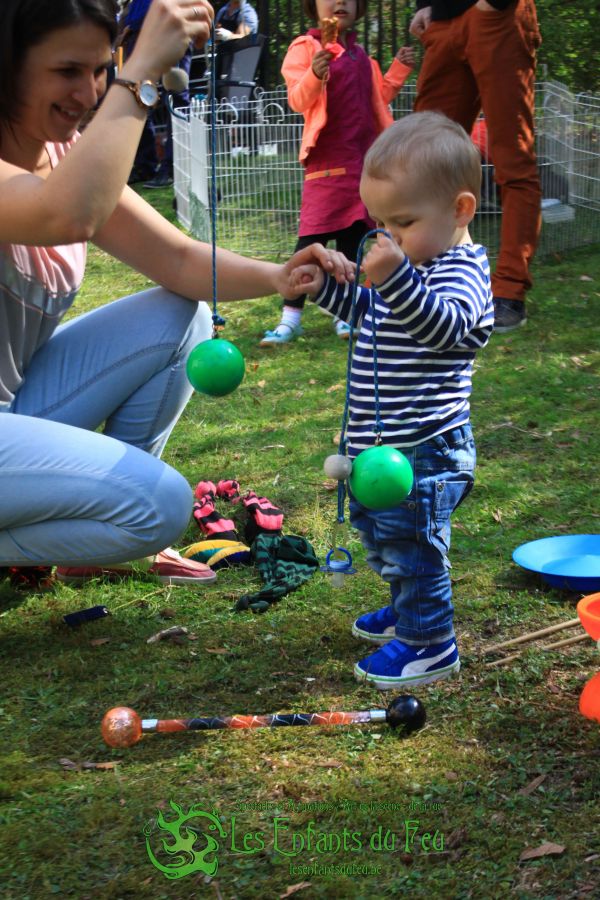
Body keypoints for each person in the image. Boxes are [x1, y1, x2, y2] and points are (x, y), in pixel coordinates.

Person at [0, 0, 352, 590]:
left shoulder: (61, 155)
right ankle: (85, 521)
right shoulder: (64, 186)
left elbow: (179, 260)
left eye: (97, 71)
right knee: (160, 507)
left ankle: (88, 524)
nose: (87, 94)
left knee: (182, 314)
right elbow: (67, 215)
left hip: (15, 414)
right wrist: (137, 79)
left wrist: (278, 276)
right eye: (66, 71)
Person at [292, 112, 494, 687]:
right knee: (384, 533)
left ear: (460, 210)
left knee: (414, 545)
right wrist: (329, 288)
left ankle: (430, 640)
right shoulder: (408, 266)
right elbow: (373, 316)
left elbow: (448, 330)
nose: (387, 236)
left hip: (427, 449)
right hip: (385, 445)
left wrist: (397, 275)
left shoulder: (460, 272)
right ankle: (410, 611)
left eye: (403, 222)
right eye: (380, 222)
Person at [259, 0, 414, 346]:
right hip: (326, 164)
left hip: (364, 164)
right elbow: (297, 100)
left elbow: (379, 97)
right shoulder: (305, 47)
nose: (341, 2)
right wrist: (315, 74)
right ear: (312, 7)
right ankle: (289, 319)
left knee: (353, 242)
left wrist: (398, 70)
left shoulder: (364, 59)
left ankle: (347, 316)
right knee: (310, 242)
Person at [409, 0, 542, 333]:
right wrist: (425, 5)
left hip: (499, 15)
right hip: (442, 20)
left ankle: (509, 291)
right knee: (421, 160)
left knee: (513, 163)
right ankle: (412, 279)